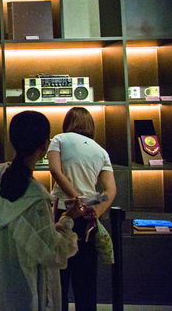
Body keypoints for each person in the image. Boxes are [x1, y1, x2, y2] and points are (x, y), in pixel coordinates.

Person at [0, 110, 81, 311]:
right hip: (27, 290)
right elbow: (52, 253)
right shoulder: (35, 197)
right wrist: (68, 219)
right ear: (45, 145)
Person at [47, 107, 117, 311]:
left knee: (58, 276)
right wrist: (96, 208)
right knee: (86, 278)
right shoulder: (100, 150)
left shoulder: (59, 139)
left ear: (68, 122)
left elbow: (55, 170)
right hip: (89, 217)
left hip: (63, 212)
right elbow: (110, 190)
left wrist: (74, 197)